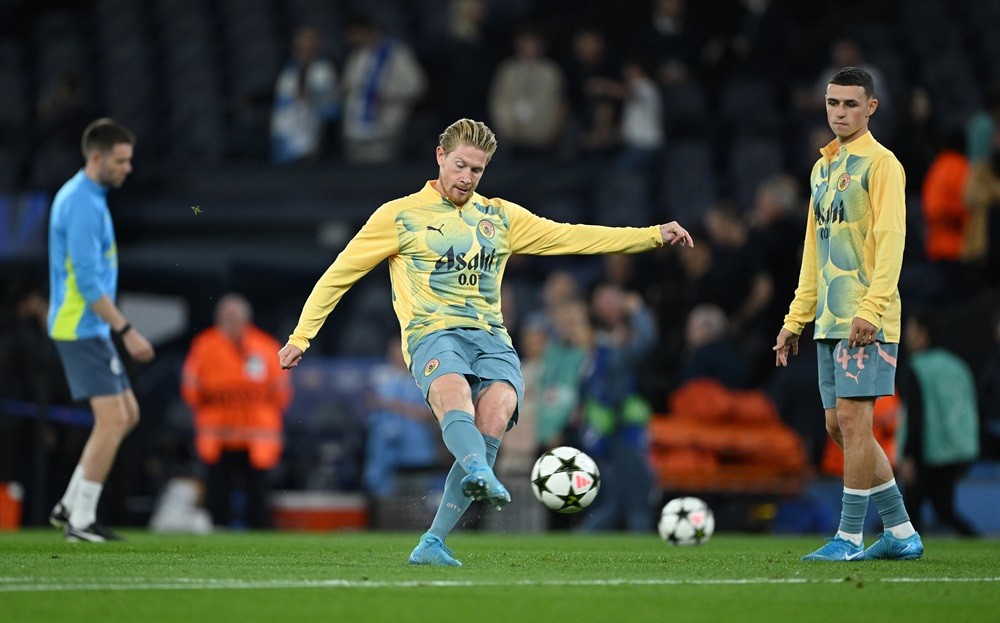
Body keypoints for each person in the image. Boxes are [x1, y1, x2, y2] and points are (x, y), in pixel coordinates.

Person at [278, 118, 693, 566]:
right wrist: (303, 335)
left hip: (491, 336)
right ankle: (478, 470)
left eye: (477, 170)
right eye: (460, 166)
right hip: (432, 332)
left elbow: (574, 236)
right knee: (454, 393)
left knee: (497, 411)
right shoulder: (398, 216)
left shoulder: (500, 217)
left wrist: (651, 235)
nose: (466, 178)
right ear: (440, 156)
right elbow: (340, 274)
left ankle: (433, 541)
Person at [773, 67, 923, 561]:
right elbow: (814, 250)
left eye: (850, 104)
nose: (840, 112)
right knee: (838, 427)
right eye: (833, 103)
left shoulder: (882, 165)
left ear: (871, 107)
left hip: (866, 318)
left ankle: (851, 536)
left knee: (857, 426)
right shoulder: (823, 168)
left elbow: (891, 240)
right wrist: (797, 317)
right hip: (829, 321)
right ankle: (900, 533)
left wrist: (872, 309)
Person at [47, 118, 156, 542]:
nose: (128, 168)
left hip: (88, 325)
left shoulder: (88, 197)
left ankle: (69, 505)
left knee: (127, 415)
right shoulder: (80, 204)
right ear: (97, 157)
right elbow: (88, 283)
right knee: (112, 420)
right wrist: (127, 330)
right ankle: (80, 520)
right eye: (121, 160)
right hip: (81, 326)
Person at [181, 293, 291, 529]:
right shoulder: (205, 346)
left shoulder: (265, 346)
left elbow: (281, 392)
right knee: (217, 493)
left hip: (257, 436)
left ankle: (259, 534)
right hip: (217, 435)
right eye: (226, 316)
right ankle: (218, 531)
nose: (231, 321)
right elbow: (190, 389)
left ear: (246, 318)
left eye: (235, 316)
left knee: (258, 495)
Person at [899, 308, 979, 536]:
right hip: (957, 449)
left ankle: (906, 551)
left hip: (928, 451)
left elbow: (916, 415)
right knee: (943, 509)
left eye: (910, 329)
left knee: (912, 508)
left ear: (922, 334)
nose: (907, 335)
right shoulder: (958, 366)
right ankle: (975, 540)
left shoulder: (917, 368)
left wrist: (908, 455)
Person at [270, 25, 339, 164]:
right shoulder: (287, 68)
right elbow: (277, 95)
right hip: (285, 134)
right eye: (302, 46)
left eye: (310, 46)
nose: (306, 50)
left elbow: (332, 105)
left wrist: (313, 97)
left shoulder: (325, 69)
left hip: (314, 136)